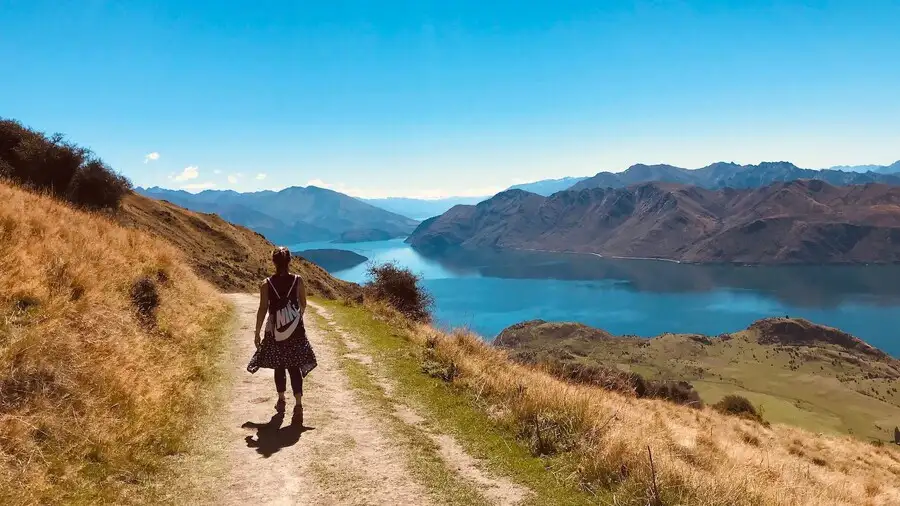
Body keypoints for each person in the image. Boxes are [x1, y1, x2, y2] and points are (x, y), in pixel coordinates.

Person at [248, 247, 317, 422]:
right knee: (294, 366)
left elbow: (263, 309)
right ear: (289, 261)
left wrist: (257, 332)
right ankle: (299, 404)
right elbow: (303, 303)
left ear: (273, 262)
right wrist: (293, 319)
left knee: (279, 366)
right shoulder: (298, 281)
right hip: (296, 331)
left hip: (274, 331)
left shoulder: (266, 284)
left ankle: (281, 400)